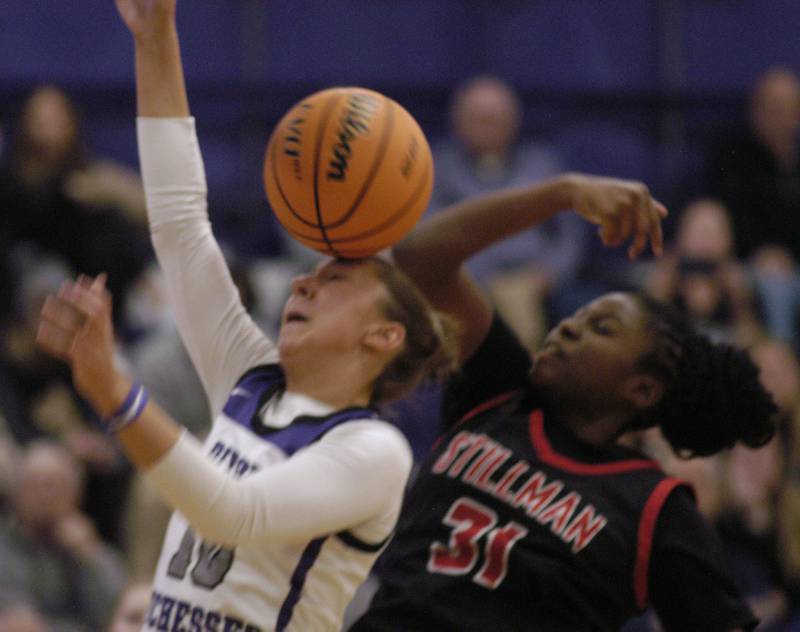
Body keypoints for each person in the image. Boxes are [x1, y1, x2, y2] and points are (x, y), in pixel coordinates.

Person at [35, 1, 456, 631]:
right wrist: (157, 42)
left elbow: (234, 512)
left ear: (384, 334)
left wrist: (113, 390)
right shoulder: (251, 379)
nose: (301, 284)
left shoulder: (373, 450)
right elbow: (180, 226)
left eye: (333, 280)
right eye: (310, 274)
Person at [350, 174, 778, 631]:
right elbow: (419, 258)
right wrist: (562, 194)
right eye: (577, 316)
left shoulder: (653, 507)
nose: (569, 328)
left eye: (603, 329)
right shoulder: (499, 390)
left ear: (641, 389)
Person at [0, 440, 127, 632]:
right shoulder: (5, 550)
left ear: (75, 494)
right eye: (35, 485)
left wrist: (91, 557)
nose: (44, 496)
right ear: (17, 494)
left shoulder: (90, 551)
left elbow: (118, 614)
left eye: (54, 486)